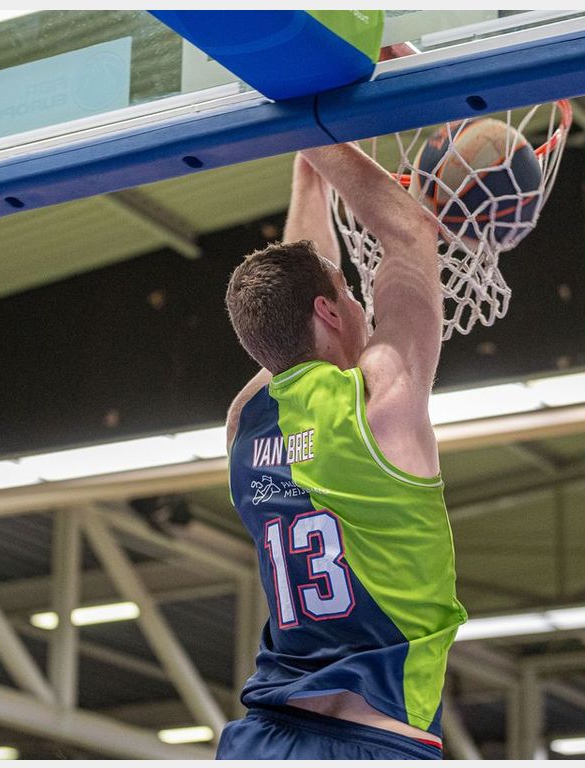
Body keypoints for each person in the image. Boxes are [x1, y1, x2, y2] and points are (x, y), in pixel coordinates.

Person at [218, 143, 467, 760]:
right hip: (374, 736)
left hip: (263, 739)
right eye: (348, 292)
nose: (359, 302)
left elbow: (297, 310)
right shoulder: (379, 400)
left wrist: (311, 171)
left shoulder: (246, 424)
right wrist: (322, 131)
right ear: (329, 311)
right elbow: (410, 235)